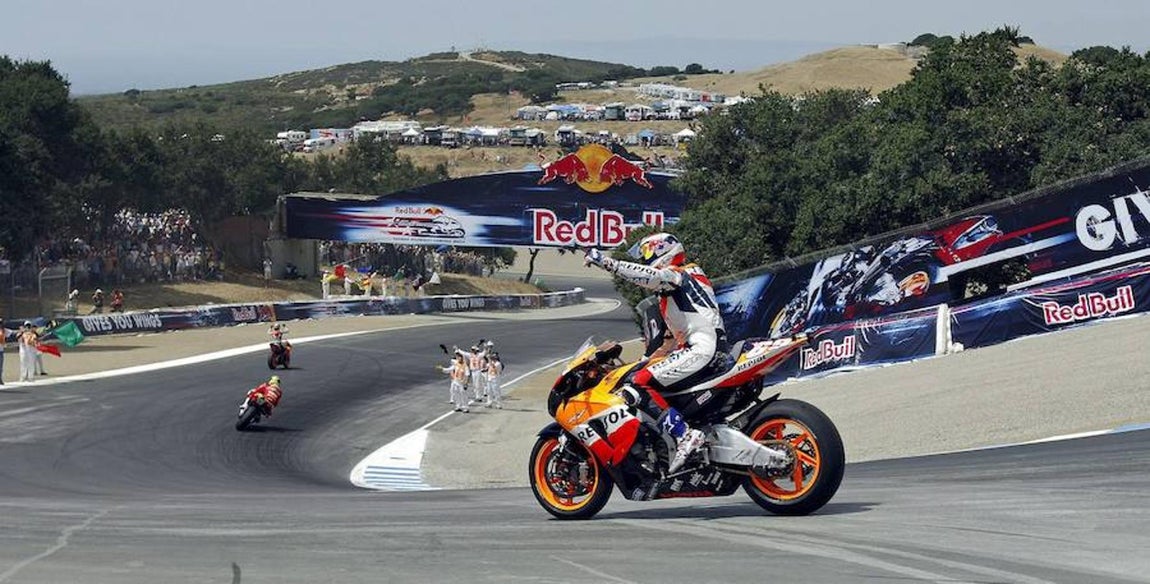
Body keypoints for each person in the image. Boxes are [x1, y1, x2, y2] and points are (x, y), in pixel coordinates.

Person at [584, 232, 726, 473]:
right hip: (706, 346)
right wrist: (641, 362)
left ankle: (685, 436)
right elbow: (668, 344)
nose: (646, 259)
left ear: (663, 251)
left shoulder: (677, 275)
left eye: (648, 253)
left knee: (637, 385)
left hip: (701, 347)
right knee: (642, 376)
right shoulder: (685, 282)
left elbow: (651, 276)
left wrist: (607, 262)